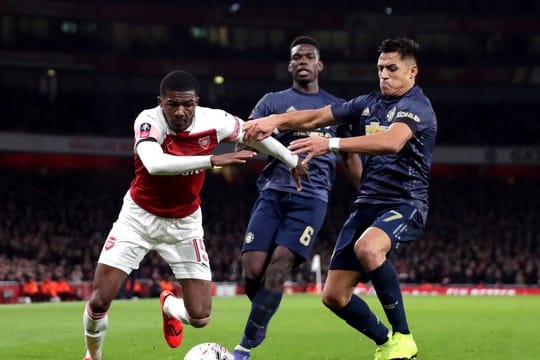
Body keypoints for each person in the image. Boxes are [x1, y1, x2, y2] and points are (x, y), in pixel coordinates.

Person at [81, 70, 308, 360]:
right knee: (100, 300)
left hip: (185, 224)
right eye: (172, 104)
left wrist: (291, 160)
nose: (180, 111)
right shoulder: (148, 120)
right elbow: (154, 164)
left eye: (187, 104)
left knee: (200, 317)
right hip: (138, 219)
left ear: (197, 102)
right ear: (160, 102)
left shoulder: (216, 120)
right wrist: (213, 160)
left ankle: (169, 306)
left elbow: (255, 134)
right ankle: (93, 355)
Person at [243, 38, 437, 360]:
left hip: (405, 202)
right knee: (333, 295)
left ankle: (404, 336)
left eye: (392, 69)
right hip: (367, 204)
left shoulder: (417, 106)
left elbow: (391, 141)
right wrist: (272, 121)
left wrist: (330, 145)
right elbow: (316, 117)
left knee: (368, 247)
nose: (384, 75)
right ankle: (386, 341)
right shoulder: (368, 103)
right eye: (380, 69)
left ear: (412, 71)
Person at [232, 35, 362, 360]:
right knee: (252, 269)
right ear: (290, 65)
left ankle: (244, 346)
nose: (303, 61)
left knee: (278, 268)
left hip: (312, 198)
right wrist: (265, 139)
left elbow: (349, 158)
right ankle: (262, 313)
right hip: (272, 192)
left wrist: (367, 195)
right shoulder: (272, 102)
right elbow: (243, 142)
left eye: (309, 56)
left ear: (320, 65)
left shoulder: (336, 108)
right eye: (297, 57)